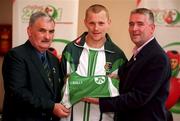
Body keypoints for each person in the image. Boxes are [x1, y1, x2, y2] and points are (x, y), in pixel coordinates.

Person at [99, 8, 171, 121]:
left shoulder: (158, 58)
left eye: (140, 24)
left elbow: (138, 98)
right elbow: (124, 74)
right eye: (131, 24)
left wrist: (100, 101)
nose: (134, 29)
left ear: (152, 28)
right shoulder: (140, 53)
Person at [60, 4, 127, 121]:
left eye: (101, 23)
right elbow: (63, 85)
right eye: (92, 23)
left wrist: (78, 83)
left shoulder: (117, 55)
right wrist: (104, 83)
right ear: (85, 22)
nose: (96, 28)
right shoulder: (71, 50)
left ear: (109, 23)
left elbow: (121, 94)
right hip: (70, 117)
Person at [2, 11, 70, 121]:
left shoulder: (53, 59)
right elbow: (17, 93)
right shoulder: (16, 56)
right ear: (29, 31)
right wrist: (51, 107)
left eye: (51, 31)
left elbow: (56, 92)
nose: (47, 37)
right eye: (42, 30)